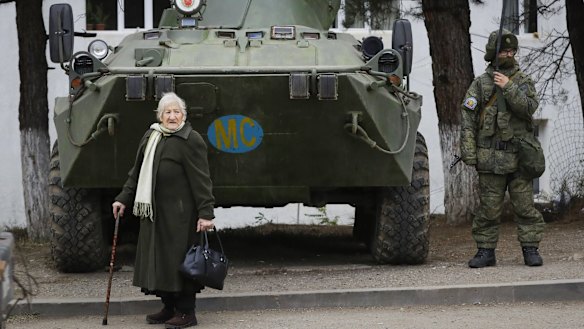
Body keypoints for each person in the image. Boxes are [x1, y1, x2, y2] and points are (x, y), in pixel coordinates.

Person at [112, 92, 215, 328]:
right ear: (160, 115)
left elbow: (202, 180)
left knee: (180, 262)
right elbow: (136, 174)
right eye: (167, 112)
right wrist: (123, 198)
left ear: (183, 115)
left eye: (176, 112)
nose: (172, 116)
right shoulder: (152, 136)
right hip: (154, 215)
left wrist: (206, 213)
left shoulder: (191, 140)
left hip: (181, 216)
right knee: (158, 261)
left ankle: (187, 312)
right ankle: (169, 307)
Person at [460, 29, 545, 268]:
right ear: (493, 54)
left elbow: (529, 108)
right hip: (490, 158)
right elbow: (467, 117)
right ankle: (485, 252)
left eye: (512, 51)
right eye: (504, 51)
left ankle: (531, 249)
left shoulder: (523, 81)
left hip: (519, 157)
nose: (509, 55)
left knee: (525, 207)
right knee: (488, 209)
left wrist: (508, 87)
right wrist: (469, 151)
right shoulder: (480, 84)